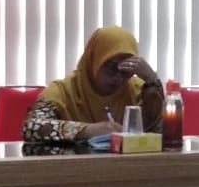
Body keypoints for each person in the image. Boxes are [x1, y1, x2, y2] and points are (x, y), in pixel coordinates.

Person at [22, 26, 163, 142]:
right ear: (93, 61)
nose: (118, 77)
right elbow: (31, 127)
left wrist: (152, 80)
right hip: (73, 165)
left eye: (126, 71)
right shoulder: (62, 91)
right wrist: (88, 130)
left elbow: (162, 132)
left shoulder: (138, 89)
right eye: (111, 68)